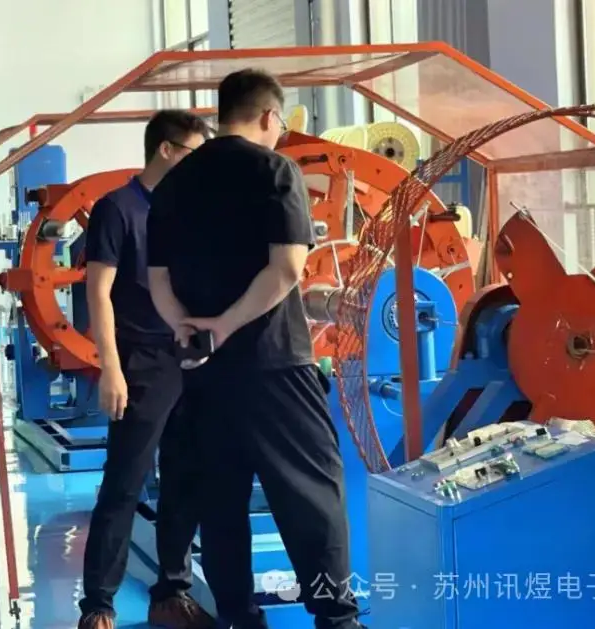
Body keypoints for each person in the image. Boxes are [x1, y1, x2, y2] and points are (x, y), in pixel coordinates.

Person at [146, 70, 362, 629]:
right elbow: (287, 268)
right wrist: (226, 325)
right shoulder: (274, 170)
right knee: (312, 496)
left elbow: (158, 280)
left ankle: (239, 619)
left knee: (221, 505)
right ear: (270, 116)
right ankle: (337, 619)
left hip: (204, 374)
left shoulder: (173, 183)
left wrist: (189, 329)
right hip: (275, 366)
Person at [79, 109, 213, 629]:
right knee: (125, 482)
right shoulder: (118, 209)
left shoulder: (189, 210)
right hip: (141, 362)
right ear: (166, 149)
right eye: (194, 154)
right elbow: (98, 292)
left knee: (186, 478)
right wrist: (110, 368)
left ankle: (172, 592)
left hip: (189, 359)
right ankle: (98, 604)